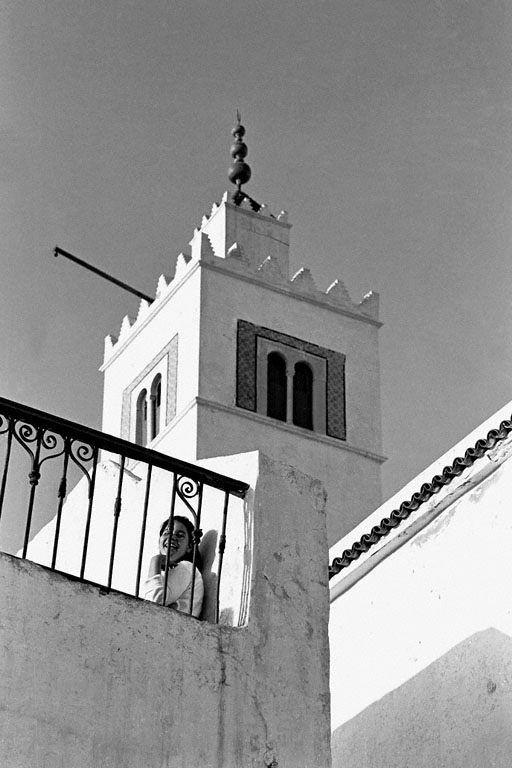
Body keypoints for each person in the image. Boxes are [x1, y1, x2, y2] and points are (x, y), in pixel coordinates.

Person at [143, 515, 204, 618]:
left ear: (189, 547)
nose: (172, 537)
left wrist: (155, 560)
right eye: (167, 532)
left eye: (180, 535)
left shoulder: (187, 567)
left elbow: (152, 604)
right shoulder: (165, 575)